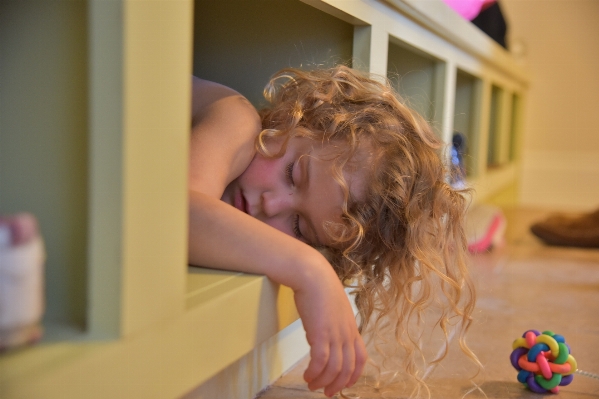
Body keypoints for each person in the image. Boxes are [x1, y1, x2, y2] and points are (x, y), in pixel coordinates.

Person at [188, 66, 477, 397]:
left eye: (299, 226)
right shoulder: (235, 119)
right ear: (294, 120)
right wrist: (310, 270)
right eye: (292, 174)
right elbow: (173, 219)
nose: (271, 204)